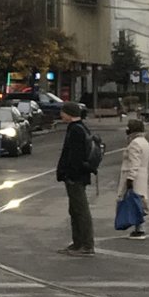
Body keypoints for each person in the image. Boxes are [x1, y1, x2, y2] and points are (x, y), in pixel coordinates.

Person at [55, 101, 95, 256]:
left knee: (81, 210)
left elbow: (75, 157)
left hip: (75, 177)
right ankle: (78, 243)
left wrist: (69, 174)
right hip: (77, 176)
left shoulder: (76, 130)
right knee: (75, 210)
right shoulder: (79, 127)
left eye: (62, 112)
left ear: (69, 114)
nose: (60, 114)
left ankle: (86, 245)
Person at [118, 118, 149, 239]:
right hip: (142, 175)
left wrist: (130, 178)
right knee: (139, 201)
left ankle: (139, 229)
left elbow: (134, 163)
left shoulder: (135, 143)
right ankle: (139, 227)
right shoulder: (144, 141)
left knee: (134, 202)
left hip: (135, 176)